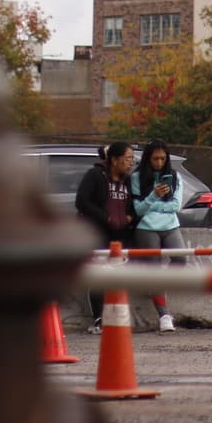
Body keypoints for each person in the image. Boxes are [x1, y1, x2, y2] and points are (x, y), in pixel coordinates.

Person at [75, 142, 136, 333]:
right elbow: (82, 201)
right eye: (127, 159)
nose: (130, 163)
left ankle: (117, 317)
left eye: (132, 159)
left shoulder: (127, 181)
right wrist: (106, 217)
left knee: (116, 276)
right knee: (98, 274)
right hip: (97, 233)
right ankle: (99, 318)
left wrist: (130, 217)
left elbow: (131, 205)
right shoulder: (96, 175)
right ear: (115, 159)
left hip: (119, 236)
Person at [130, 139, 181, 333]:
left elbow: (176, 206)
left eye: (162, 158)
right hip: (146, 227)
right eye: (155, 159)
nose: (159, 163)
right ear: (147, 159)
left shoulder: (174, 176)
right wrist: (153, 195)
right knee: (154, 268)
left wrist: (153, 204)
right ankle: (164, 315)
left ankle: (156, 286)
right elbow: (139, 209)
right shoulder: (137, 177)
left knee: (181, 259)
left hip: (171, 225)